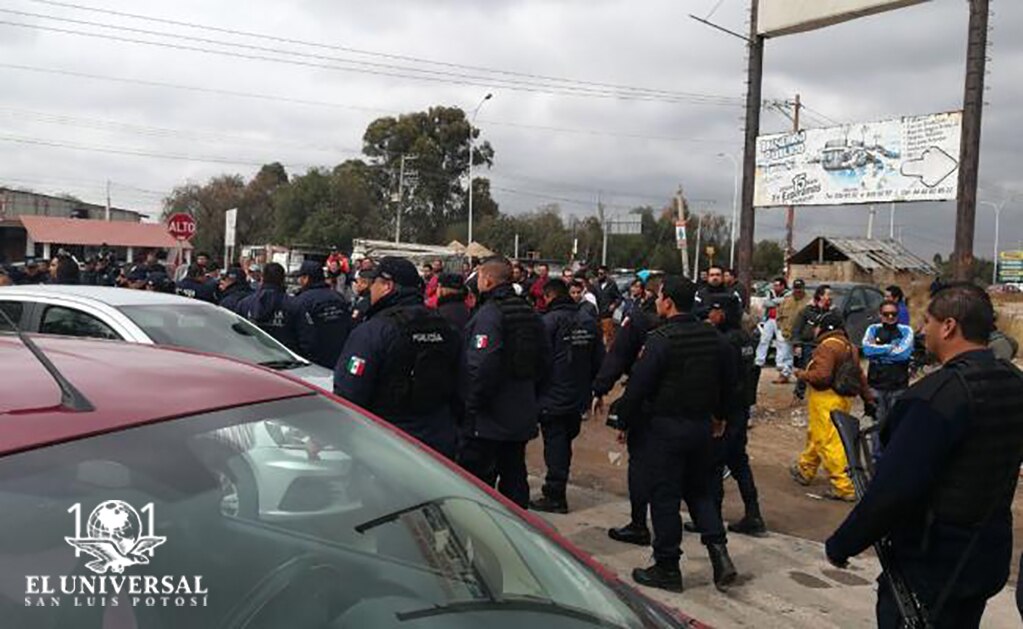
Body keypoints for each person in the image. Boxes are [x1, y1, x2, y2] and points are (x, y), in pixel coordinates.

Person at [826, 283, 1023, 629]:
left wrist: (842, 544)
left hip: (933, 564)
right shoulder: (1012, 382)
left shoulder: (934, 398)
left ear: (949, 326)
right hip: (985, 556)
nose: (921, 330)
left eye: (928, 321)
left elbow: (893, 491)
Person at [616, 276, 738, 593]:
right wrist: (720, 417)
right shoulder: (715, 339)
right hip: (701, 427)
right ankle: (719, 554)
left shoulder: (660, 340)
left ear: (668, 302)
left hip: (665, 430)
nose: (656, 302)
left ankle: (667, 566)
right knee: (699, 492)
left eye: (659, 298)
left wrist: (623, 421)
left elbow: (639, 387)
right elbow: (729, 384)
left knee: (665, 497)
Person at [334, 257, 461, 459]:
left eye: (374, 283)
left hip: (387, 446)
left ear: (387, 285)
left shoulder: (373, 331)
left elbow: (349, 392)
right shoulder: (445, 327)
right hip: (439, 445)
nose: (370, 290)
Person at [459, 257, 550, 508]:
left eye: (478, 276)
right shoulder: (530, 312)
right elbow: (545, 359)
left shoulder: (490, 315)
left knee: (479, 488)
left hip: (490, 417)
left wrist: (471, 406)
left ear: (487, 280)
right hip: (521, 410)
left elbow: (481, 366)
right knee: (514, 478)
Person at [594, 276, 662, 546]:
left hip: (649, 403)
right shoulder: (699, 328)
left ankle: (639, 525)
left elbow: (620, 356)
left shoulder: (641, 321)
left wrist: (601, 390)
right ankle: (715, 546)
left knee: (643, 466)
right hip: (689, 410)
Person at [531, 278, 604, 514]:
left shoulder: (548, 322)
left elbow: (540, 360)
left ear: (549, 297)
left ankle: (554, 494)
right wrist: (595, 389)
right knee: (564, 442)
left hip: (553, 394)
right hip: (578, 394)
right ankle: (556, 488)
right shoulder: (588, 321)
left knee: (556, 444)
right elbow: (598, 359)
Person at [792, 311, 874, 502]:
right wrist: (868, 398)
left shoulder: (827, 347)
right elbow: (860, 375)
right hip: (842, 398)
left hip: (826, 398)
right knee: (817, 435)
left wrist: (802, 375)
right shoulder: (849, 346)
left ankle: (844, 487)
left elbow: (822, 376)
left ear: (823, 327)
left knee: (829, 442)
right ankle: (806, 470)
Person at [706, 295, 766, 537]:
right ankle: (753, 514)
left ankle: (711, 519)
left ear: (724, 313)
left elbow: (723, 382)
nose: (709, 314)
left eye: (713, 310)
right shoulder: (745, 339)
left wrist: (717, 416)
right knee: (739, 462)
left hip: (726, 413)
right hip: (741, 409)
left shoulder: (725, 341)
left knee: (714, 465)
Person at [862, 301, 914, 427]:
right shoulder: (873, 329)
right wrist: (891, 348)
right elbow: (867, 350)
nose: (890, 317)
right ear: (880, 315)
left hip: (898, 387)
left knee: (896, 425)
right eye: (886, 314)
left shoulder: (906, 330)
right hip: (876, 386)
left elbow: (904, 354)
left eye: (893, 314)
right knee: (876, 426)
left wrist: (878, 351)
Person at [293, 260, 352, 369]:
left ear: (306, 278)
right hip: (339, 358)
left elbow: (302, 334)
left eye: (300, 277)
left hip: (314, 362)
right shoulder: (338, 297)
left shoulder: (302, 301)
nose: (299, 280)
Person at [236, 262, 300, 352]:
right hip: (285, 357)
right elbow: (304, 337)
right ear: (283, 279)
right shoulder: (294, 304)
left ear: (262, 278)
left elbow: (238, 335)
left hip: (253, 356)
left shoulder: (245, 304)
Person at [792, 284, 833, 402]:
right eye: (828, 294)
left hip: (825, 346)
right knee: (806, 370)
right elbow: (797, 328)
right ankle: (798, 394)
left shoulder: (831, 312)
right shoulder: (807, 311)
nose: (830, 297)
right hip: (808, 345)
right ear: (820, 296)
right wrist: (797, 344)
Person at [756, 277, 794, 384]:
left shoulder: (788, 294)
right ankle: (759, 360)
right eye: (774, 285)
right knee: (764, 340)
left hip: (781, 320)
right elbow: (765, 304)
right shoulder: (771, 292)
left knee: (781, 342)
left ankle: (780, 364)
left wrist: (773, 302)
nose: (775, 287)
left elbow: (784, 302)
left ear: (783, 285)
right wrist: (774, 302)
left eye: (778, 285)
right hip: (769, 319)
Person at [593, 265, 622, 346]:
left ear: (606, 274)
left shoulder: (612, 285)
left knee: (608, 337)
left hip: (607, 314)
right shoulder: (595, 285)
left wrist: (614, 305)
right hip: (597, 314)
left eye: (601, 274)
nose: (599, 276)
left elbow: (619, 298)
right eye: (598, 274)